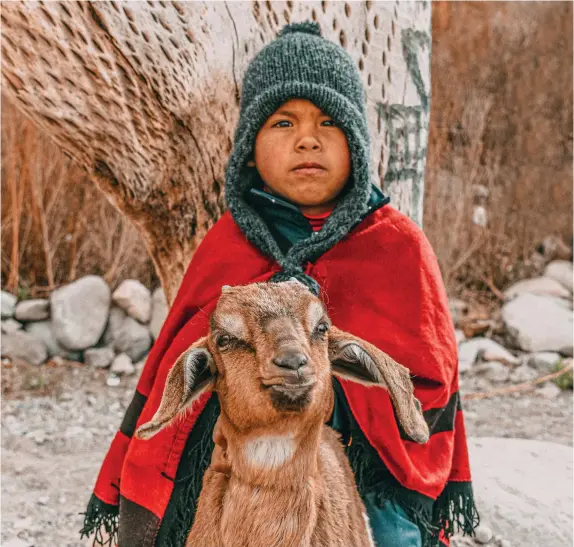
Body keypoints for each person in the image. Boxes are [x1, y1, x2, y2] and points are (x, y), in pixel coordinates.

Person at [82, 22, 479, 547]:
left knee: (395, 531)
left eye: (329, 122)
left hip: (370, 460)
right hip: (239, 442)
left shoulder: (396, 246)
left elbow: (429, 372)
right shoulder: (229, 244)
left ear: (356, 144)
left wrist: (333, 386)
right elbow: (176, 358)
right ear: (250, 147)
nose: (307, 139)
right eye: (283, 122)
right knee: (180, 502)